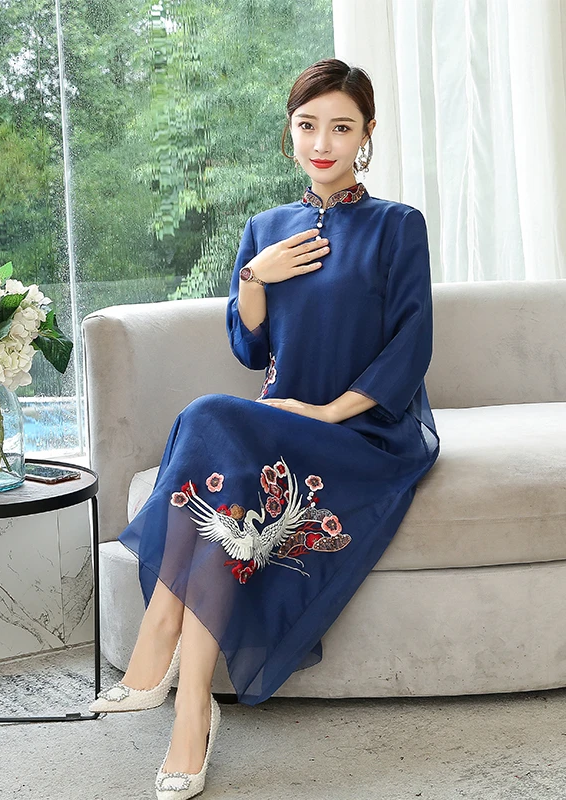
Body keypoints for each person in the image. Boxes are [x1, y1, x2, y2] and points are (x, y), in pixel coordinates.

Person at [89, 57, 440, 800]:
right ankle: (192, 710)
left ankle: (158, 646)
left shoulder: (397, 226)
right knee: (225, 480)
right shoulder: (265, 229)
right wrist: (256, 276)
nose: (323, 143)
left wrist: (328, 411)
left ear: (367, 135)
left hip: (364, 432)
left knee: (207, 418)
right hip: (277, 425)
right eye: (308, 126)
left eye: (341, 127)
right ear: (290, 132)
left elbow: (412, 346)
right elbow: (249, 348)